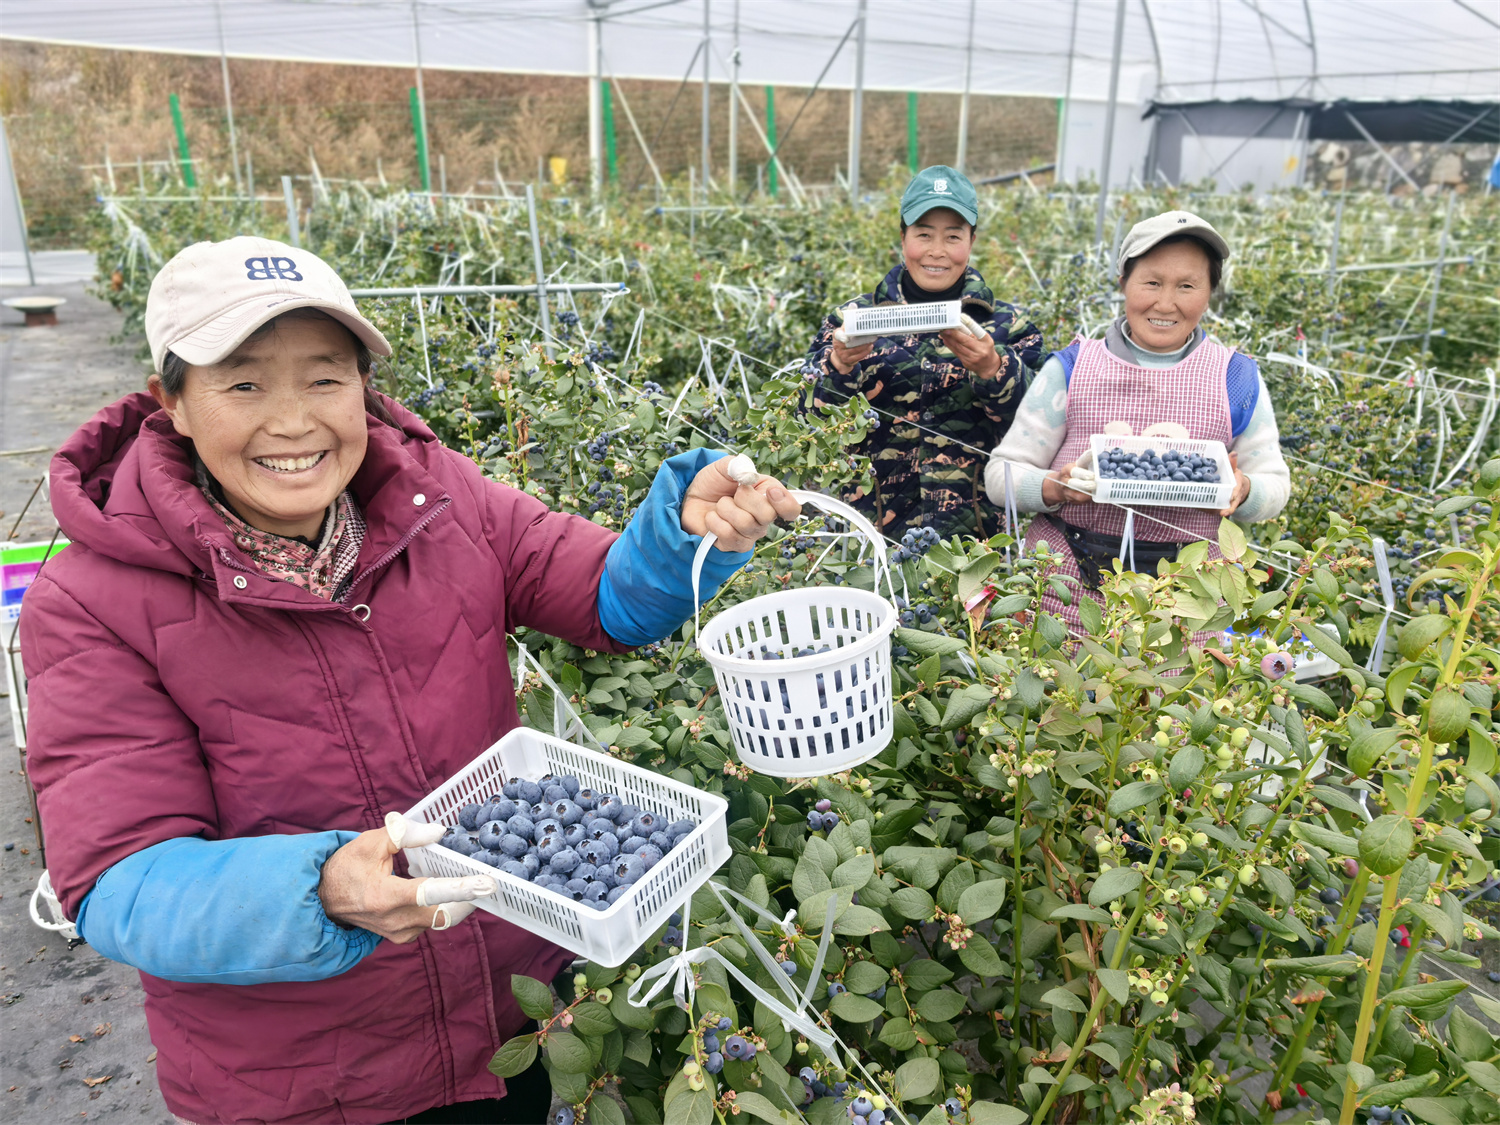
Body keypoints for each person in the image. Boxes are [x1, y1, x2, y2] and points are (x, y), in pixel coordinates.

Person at [21, 236, 800, 1125]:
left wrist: (681, 537)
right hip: (303, 1082)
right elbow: (119, 881)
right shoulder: (92, 604)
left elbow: (601, 597)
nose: (293, 421)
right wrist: (316, 890)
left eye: (325, 377)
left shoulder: (439, 500)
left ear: (363, 387)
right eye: (243, 383)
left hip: (503, 1022)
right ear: (174, 405)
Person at [986, 210, 1290, 632]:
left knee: (1176, 696)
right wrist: (1055, 487)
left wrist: (1245, 490)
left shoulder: (1235, 379)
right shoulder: (1073, 369)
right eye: (1151, 282)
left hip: (1189, 606)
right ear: (1123, 282)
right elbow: (1000, 476)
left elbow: (1275, 483)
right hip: (1065, 593)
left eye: (1187, 286)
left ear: (1209, 293)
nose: (1166, 303)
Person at [808, 166, 1043, 540]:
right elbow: (805, 423)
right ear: (903, 238)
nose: (937, 251)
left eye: (953, 236)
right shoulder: (851, 320)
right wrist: (837, 365)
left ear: (972, 240)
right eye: (923, 234)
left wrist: (995, 368)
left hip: (975, 544)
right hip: (868, 538)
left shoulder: (1008, 327)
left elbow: (1042, 429)